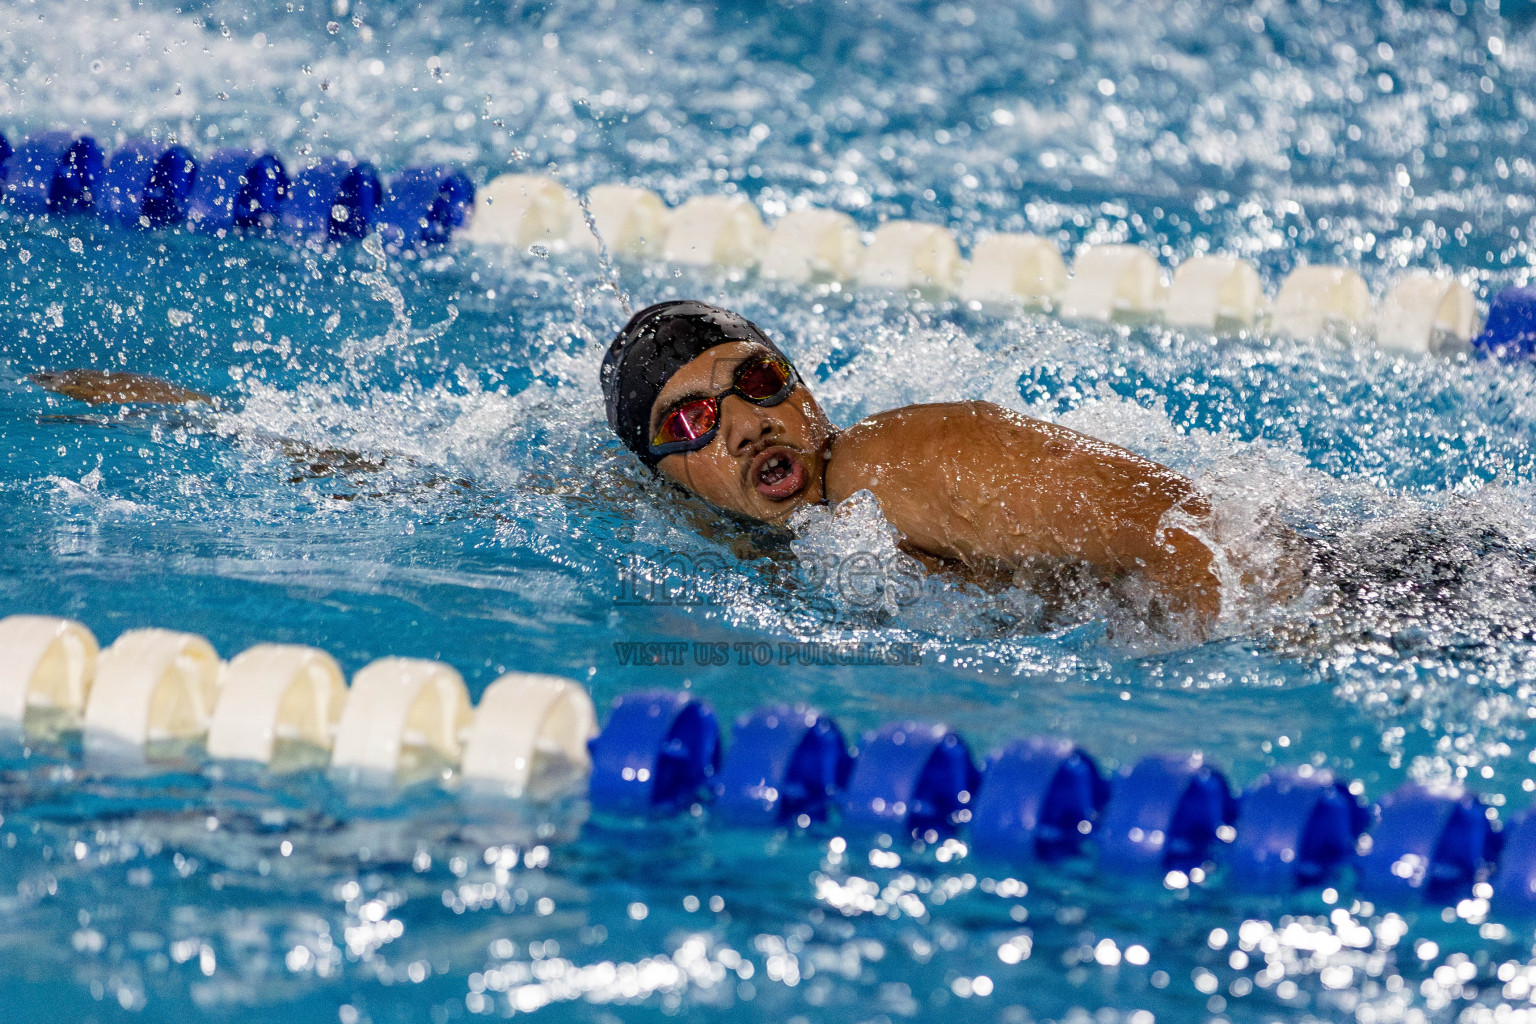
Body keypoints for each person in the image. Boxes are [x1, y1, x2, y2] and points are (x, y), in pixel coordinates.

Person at [603, 300, 1225, 630]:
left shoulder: (892, 462)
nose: (746, 425)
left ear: (803, 390)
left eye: (760, 379)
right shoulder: (740, 531)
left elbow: (1190, 527)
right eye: (690, 423)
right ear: (668, 481)